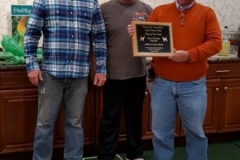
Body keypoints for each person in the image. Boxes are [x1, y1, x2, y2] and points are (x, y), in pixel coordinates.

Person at [128, 0, 222, 160]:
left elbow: (216, 43)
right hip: (162, 84)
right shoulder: (159, 12)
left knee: (195, 133)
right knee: (161, 134)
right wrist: (137, 33)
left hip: (193, 85)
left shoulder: (207, 13)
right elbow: (147, 40)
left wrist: (189, 55)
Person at [24, 0, 107, 159]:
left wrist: (101, 69)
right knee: (44, 124)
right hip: (50, 75)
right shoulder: (44, 1)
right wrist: (32, 65)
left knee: (75, 124)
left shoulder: (91, 3)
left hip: (80, 75)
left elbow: (99, 37)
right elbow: (31, 33)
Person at [98, 0, 152, 160]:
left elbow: (156, 41)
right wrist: (97, 69)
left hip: (137, 74)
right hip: (111, 75)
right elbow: (97, 41)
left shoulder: (147, 10)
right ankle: (106, 155)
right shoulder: (104, 9)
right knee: (109, 119)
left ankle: (135, 154)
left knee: (135, 117)